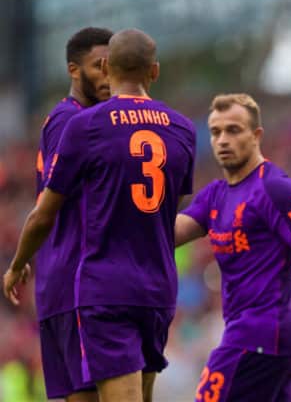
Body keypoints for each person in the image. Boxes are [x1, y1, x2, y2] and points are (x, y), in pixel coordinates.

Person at [3, 28, 196, 402]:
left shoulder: (85, 125)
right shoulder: (182, 128)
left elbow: (44, 213)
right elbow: (165, 212)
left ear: (109, 67)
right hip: (152, 286)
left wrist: (18, 261)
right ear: (154, 72)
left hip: (94, 287)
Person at [175, 93, 291, 402]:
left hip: (264, 331)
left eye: (234, 130)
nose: (223, 140)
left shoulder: (275, 187)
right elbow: (172, 232)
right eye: (216, 132)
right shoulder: (215, 194)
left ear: (256, 136)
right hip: (259, 333)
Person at [34, 26, 114, 402]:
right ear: (73, 70)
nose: (108, 76)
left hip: (59, 284)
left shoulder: (64, 120)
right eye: (99, 66)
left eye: (114, 67)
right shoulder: (74, 123)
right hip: (79, 284)